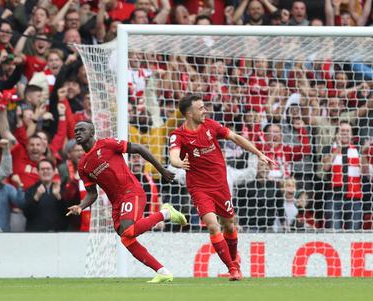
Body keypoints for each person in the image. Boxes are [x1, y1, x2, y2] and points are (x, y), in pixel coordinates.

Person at [169, 94, 276, 281]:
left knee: (229, 224)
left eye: (204, 107)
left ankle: (234, 260)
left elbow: (235, 137)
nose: (205, 110)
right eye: (200, 108)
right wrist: (179, 164)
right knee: (212, 226)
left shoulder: (211, 125)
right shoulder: (178, 135)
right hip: (199, 188)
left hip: (220, 185)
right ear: (188, 113)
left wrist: (259, 154)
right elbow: (174, 156)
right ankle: (232, 268)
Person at [67, 120, 186, 284]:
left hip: (132, 191)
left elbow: (138, 148)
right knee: (126, 238)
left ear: (92, 131)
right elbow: (92, 194)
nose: (78, 132)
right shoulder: (83, 165)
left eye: (81, 129)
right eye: (75, 130)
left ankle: (166, 213)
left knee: (128, 231)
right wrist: (80, 206)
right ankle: (163, 271)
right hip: (116, 202)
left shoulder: (107, 144)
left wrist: (161, 170)